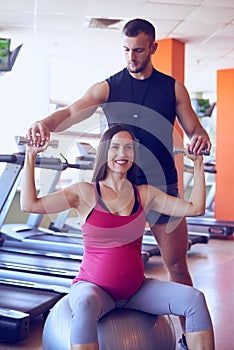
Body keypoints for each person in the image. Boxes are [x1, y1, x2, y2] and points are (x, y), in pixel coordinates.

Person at [26, 18, 212, 341]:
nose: (131, 57)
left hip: (160, 189)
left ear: (153, 48)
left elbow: (195, 130)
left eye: (138, 50)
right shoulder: (108, 87)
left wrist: (200, 139)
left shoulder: (172, 88)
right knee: (107, 265)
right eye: (125, 50)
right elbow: (71, 111)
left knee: (177, 266)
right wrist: (43, 122)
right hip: (116, 191)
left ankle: (185, 339)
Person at [20, 124, 214, 350]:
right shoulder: (83, 192)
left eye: (128, 148)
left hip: (136, 291)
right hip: (94, 289)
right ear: (104, 152)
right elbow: (29, 204)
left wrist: (198, 164)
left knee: (194, 300)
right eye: (115, 148)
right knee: (84, 304)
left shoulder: (145, 194)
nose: (122, 154)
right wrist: (30, 156)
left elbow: (195, 208)